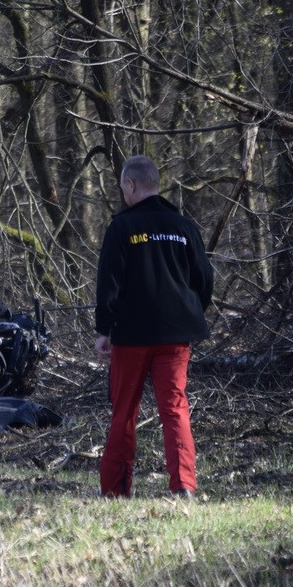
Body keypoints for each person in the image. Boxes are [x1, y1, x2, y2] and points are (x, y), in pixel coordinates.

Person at [94, 155, 214, 499]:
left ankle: (115, 493)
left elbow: (108, 283)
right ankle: (184, 487)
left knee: (124, 411)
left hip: (131, 334)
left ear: (131, 185)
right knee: (175, 408)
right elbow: (204, 278)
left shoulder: (121, 227)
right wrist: (191, 310)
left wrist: (104, 330)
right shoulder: (184, 227)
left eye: (123, 188)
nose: (123, 194)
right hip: (177, 334)